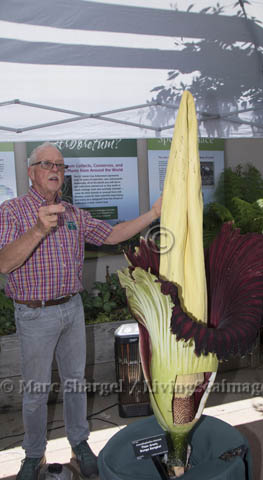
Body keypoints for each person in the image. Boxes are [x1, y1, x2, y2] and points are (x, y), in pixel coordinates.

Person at [0, 142, 162, 480]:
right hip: (34, 314)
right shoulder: (12, 211)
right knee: (35, 391)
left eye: (60, 164)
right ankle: (33, 455)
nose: (55, 169)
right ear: (32, 173)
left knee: (75, 383)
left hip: (72, 310)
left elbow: (114, 233)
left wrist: (153, 214)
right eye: (47, 164)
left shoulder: (74, 213)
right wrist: (38, 229)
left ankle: (80, 443)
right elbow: (4, 263)